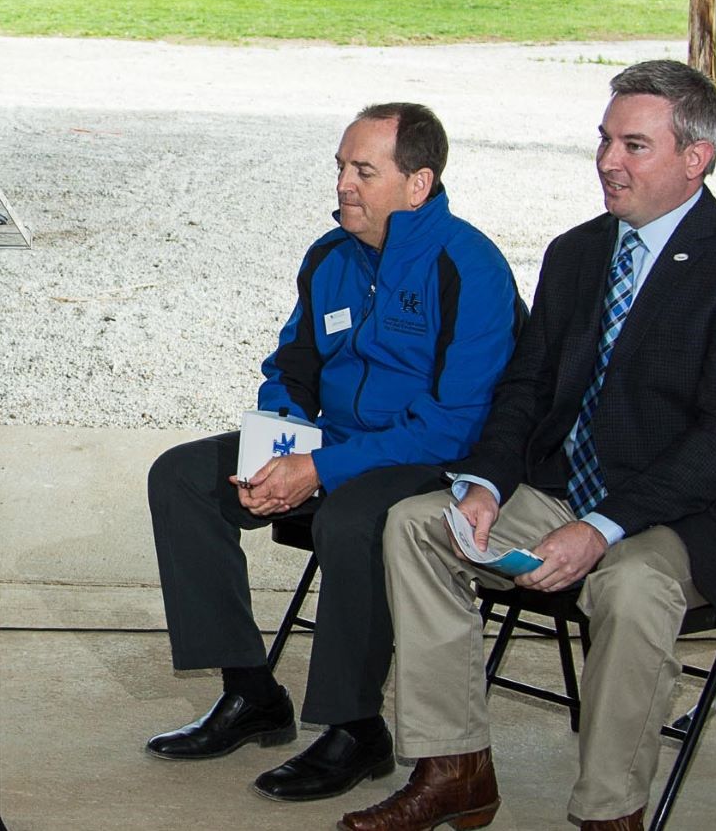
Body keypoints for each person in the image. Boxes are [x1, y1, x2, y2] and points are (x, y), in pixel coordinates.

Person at [344, 60, 716, 831]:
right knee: (419, 525)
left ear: (697, 158)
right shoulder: (578, 253)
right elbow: (525, 389)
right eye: (604, 141)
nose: (607, 163)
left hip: (684, 517)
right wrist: (486, 484)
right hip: (566, 492)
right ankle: (455, 767)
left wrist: (600, 529)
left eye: (634, 146)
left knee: (628, 587)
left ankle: (608, 812)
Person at [144, 103, 520, 803]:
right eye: (342, 166)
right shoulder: (330, 255)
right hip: (334, 447)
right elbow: (293, 365)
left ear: (418, 183)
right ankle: (251, 692)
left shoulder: (469, 267)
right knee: (184, 478)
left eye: (363, 170)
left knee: (350, 518)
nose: (344, 183)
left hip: (429, 459)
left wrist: (316, 470)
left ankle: (357, 728)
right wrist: (278, 444)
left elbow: (455, 423)